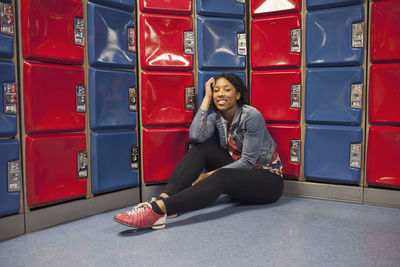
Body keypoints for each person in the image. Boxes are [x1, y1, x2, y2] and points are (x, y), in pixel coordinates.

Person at [114, 73, 284, 229]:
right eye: (216, 90)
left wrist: (209, 175)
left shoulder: (251, 116)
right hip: (239, 181)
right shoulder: (218, 118)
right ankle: (164, 199)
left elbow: (247, 162)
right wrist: (207, 99)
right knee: (202, 148)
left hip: (268, 182)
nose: (220, 94)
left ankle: (158, 211)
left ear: (238, 95)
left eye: (227, 89)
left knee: (221, 175)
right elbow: (195, 136)